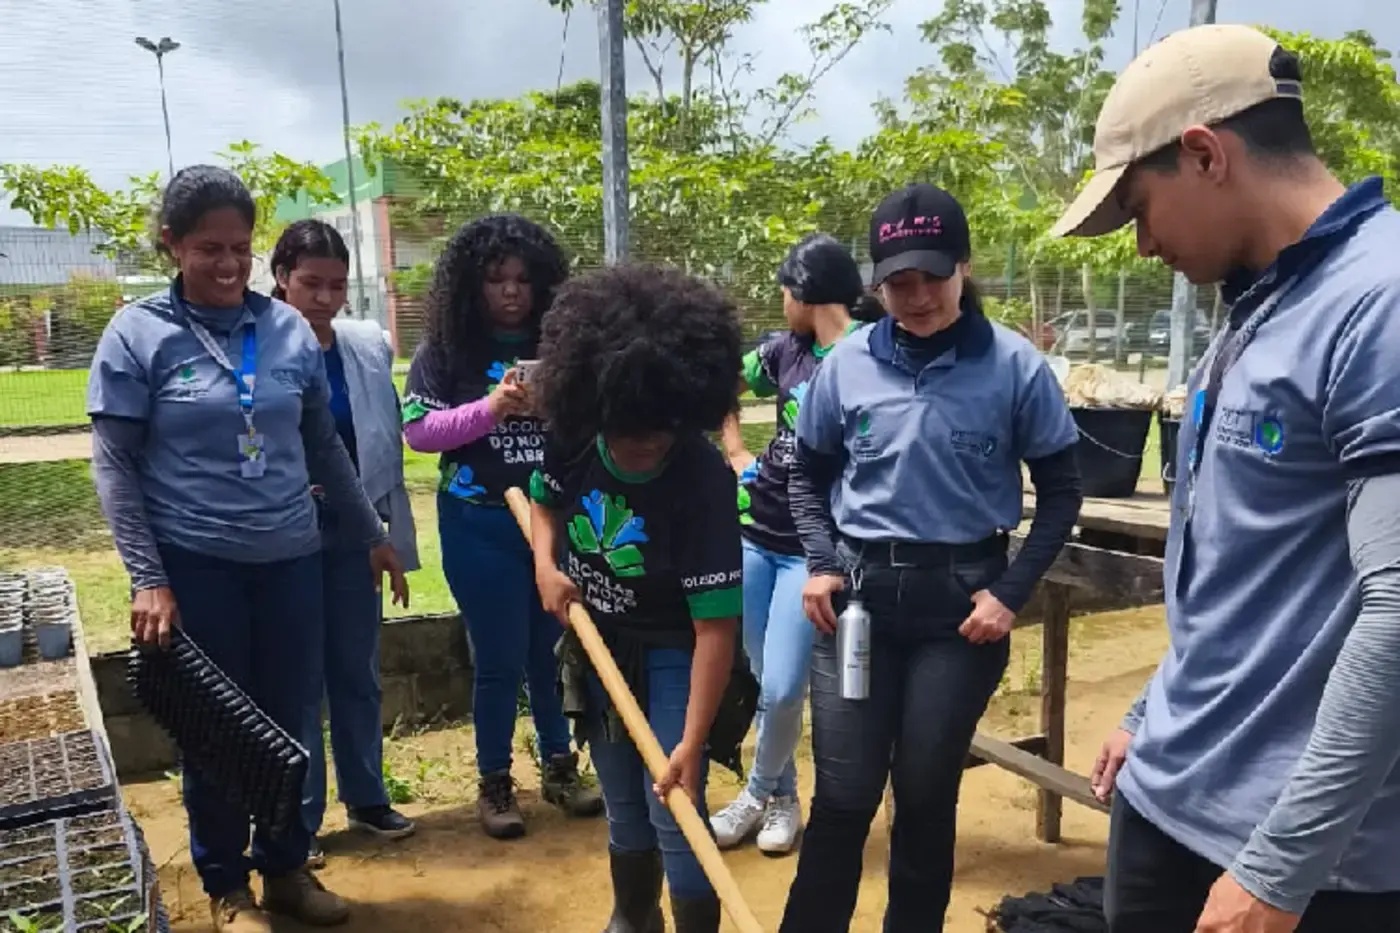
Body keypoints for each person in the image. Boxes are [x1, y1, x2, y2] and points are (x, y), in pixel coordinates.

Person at [1055, 25, 1400, 933]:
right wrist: (1153, 709)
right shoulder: (1261, 303)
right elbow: (1243, 567)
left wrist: (1281, 872)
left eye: (1137, 208)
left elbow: (1398, 607)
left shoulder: (1379, 305)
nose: (1140, 245)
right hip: (1174, 797)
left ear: (1205, 155)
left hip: (1300, 866)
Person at [87, 165, 409, 933]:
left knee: (294, 716)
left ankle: (287, 869)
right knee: (220, 730)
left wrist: (374, 532)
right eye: (208, 249)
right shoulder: (138, 334)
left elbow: (323, 446)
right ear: (171, 243)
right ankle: (227, 885)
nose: (229, 265)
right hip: (199, 564)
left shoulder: (285, 328)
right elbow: (115, 467)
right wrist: (148, 579)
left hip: (292, 560)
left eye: (239, 248)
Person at [777, 182, 1084, 933]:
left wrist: (1010, 591)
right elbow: (806, 475)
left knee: (922, 795)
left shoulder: (1014, 367)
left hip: (962, 613)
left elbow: (1063, 490)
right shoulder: (846, 365)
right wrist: (820, 558)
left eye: (933, 277)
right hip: (858, 604)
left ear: (964, 267)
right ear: (876, 284)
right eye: (897, 281)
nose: (916, 297)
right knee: (845, 798)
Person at [526, 262, 750, 933]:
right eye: (629, 426)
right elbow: (543, 504)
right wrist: (544, 563)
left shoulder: (703, 480)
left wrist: (692, 737)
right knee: (623, 799)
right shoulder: (571, 436)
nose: (646, 440)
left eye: (663, 425)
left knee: (677, 805)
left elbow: (717, 630)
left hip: (676, 649)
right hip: (599, 642)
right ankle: (633, 917)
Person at [401, 214, 601, 838]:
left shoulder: (562, 342)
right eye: (496, 280)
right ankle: (494, 782)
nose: (511, 291)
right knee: (497, 659)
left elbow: (593, 424)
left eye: (522, 279)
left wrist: (558, 404)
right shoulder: (446, 349)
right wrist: (491, 408)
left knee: (549, 651)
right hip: (477, 522)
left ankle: (561, 768)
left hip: (551, 522)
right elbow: (419, 431)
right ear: (472, 284)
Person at [709, 233, 883, 856]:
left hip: (815, 551)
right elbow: (721, 381)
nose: (780, 303)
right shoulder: (785, 351)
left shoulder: (870, 355)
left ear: (803, 294)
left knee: (784, 686)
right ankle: (784, 799)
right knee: (762, 677)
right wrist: (735, 452)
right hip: (756, 532)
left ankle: (757, 794)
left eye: (783, 291)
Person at [269, 220, 420, 865]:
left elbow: (374, 440)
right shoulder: (257, 342)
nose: (325, 299)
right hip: (282, 539)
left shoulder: (362, 346)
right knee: (296, 681)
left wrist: (376, 531)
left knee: (356, 672)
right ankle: (297, 821)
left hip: (355, 533)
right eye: (310, 283)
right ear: (280, 278)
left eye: (336, 285)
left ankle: (366, 796)